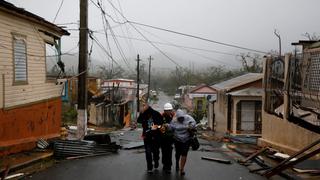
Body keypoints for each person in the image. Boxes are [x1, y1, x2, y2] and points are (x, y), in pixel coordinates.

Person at [165, 109, 196, 176]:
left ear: (184, 116)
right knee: (178, 153)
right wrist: (167, 126)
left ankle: (182, 169)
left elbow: (194, 123)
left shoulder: (188, 118)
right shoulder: (174, 120)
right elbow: (171, 128)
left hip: (186, 139)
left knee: (184, 153)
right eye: (179, 118)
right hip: (177, 139)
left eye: (182, 118)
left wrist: (191, 126)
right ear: (177, 117)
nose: (181, 119)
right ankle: (177, 163)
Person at [137, 98, 163, 174]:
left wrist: (156, 127)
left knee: (155, 152)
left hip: (156, 137)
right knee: (148, 152)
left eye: (144, 105)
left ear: (148, 105)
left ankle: (156, 160)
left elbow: (161, 125)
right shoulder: (143, 114)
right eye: (142, 105)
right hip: (147, 137)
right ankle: (149, 167)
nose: (143, 107)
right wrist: (141, 113)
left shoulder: (156, 113)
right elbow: (139, 121)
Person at [160, 103, 175, 174]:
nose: (169, 111)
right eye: (167, 110)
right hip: (163, 138)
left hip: (170, 138)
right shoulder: (161, 117)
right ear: (164, 111)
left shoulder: (173, 116)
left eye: (170, 110)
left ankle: (168, 166)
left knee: (169, 152)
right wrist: (163, 126)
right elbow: (158, 126)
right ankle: (164, 164)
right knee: (164, 152)